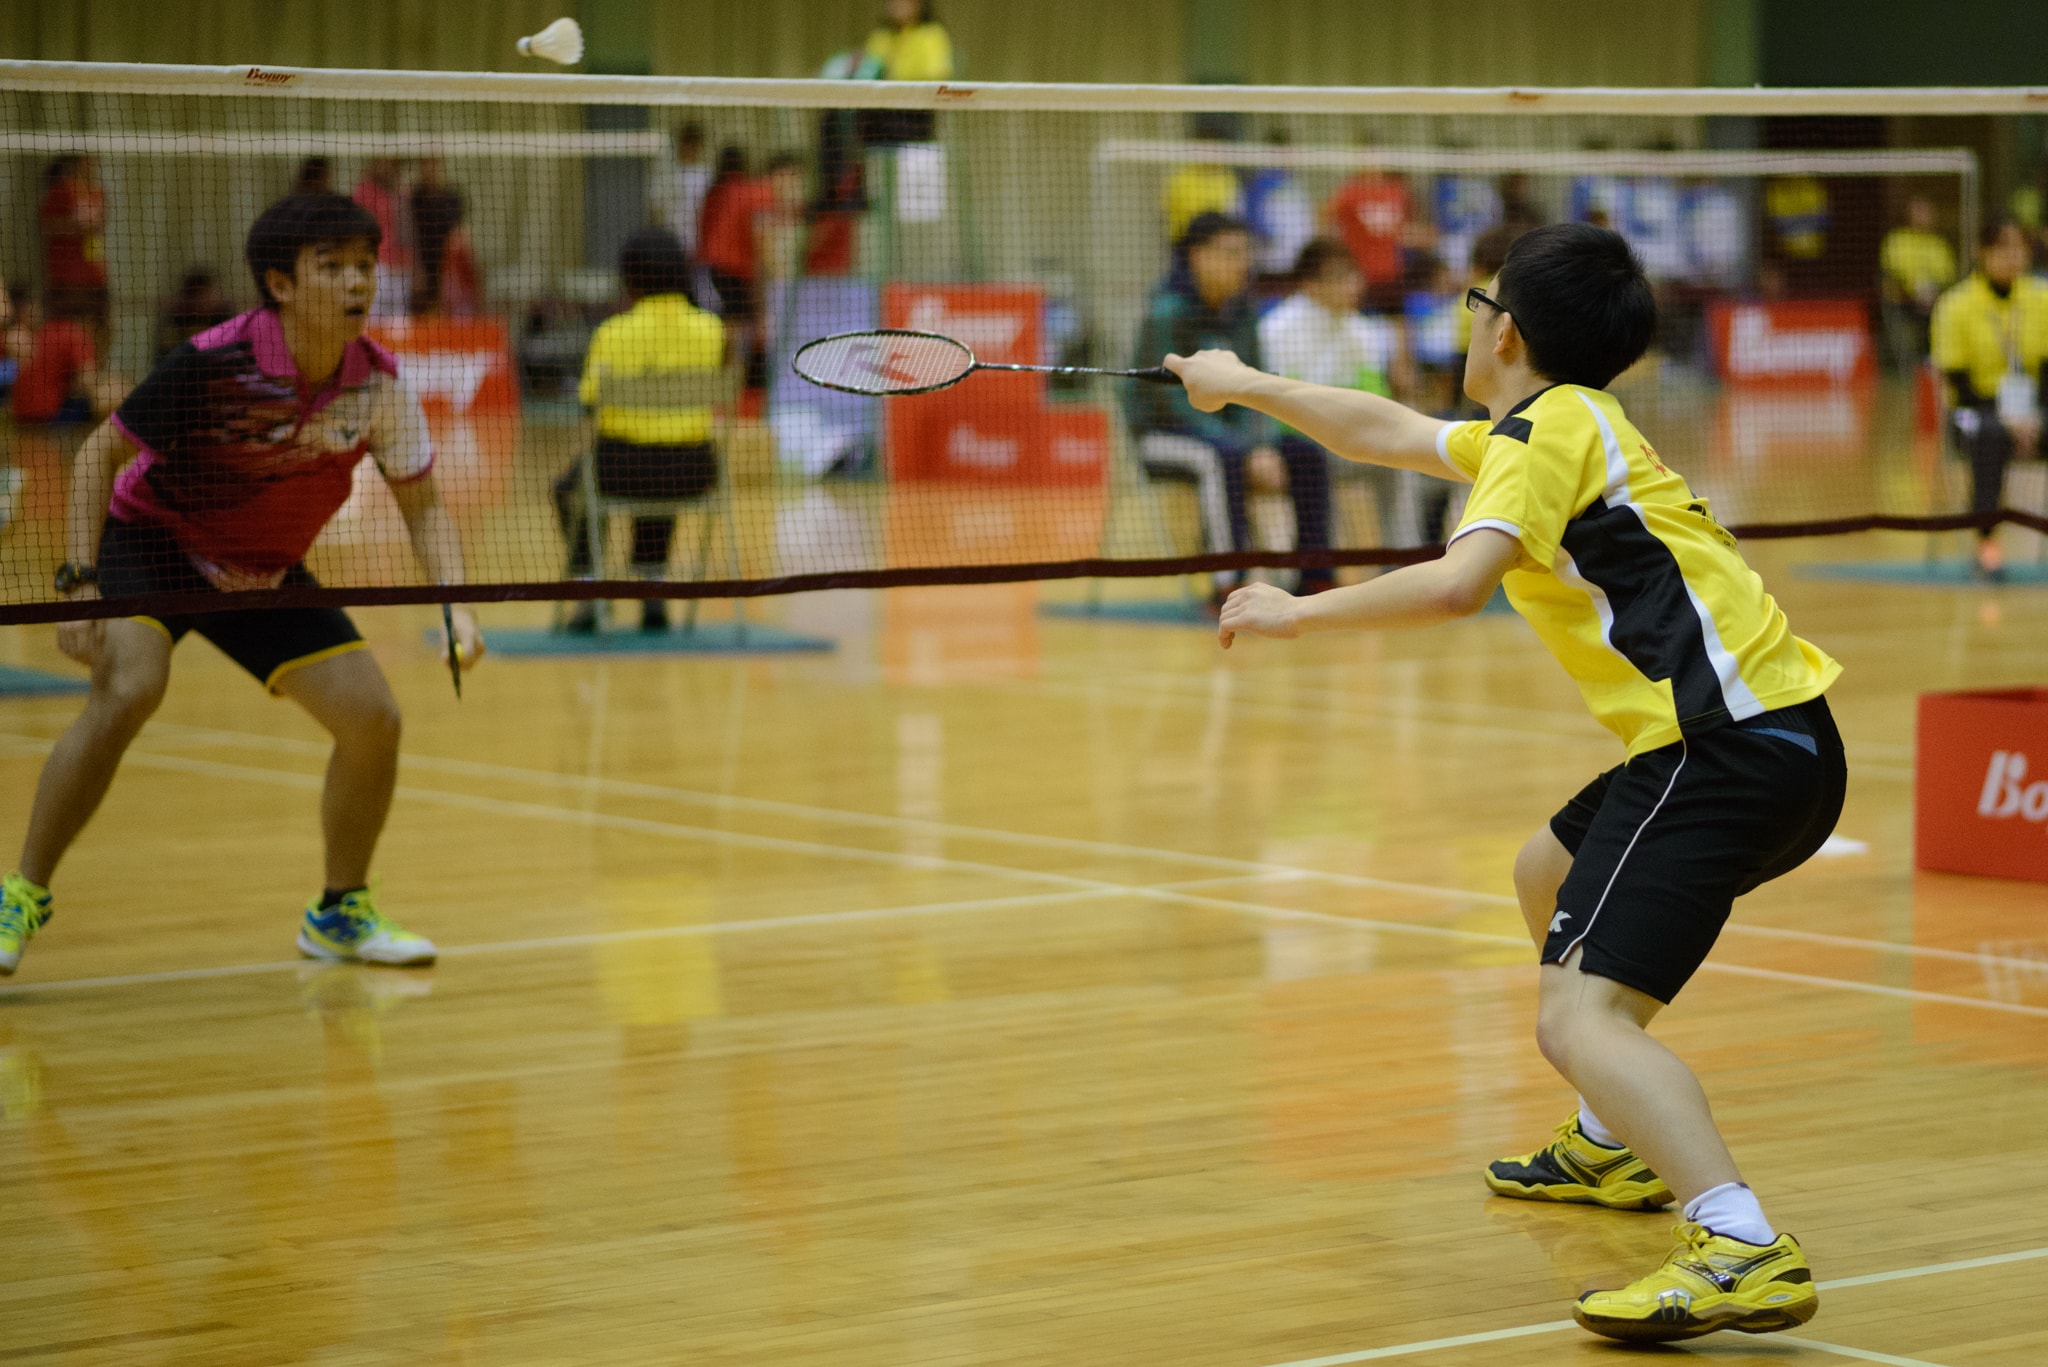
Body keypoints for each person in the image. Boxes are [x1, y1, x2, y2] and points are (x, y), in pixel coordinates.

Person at [1168, 221, 1843, 1344]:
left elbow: (1456, 584)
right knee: (1546, 867)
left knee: (1577, 1018)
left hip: (1722, 750)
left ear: (1505, 331)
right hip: (1770, 739)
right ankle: (1612, 1141)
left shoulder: (1542, 435)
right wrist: (1243, 384)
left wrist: (1297, 609)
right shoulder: (1565, 421)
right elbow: (1386, 429)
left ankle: (1737, 1240)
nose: (1465, 316)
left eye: (1476, 301)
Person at [0, 192, 487, 978]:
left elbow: (424, 508)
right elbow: (96, 456)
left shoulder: (379, 387)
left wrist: (455, 607)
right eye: (332, 267)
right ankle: (20, 894)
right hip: (156, 543)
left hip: (265, 568)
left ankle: (338, 912)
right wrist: (79, 583)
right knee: (129, 689)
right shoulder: (213, 362)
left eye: (365, 266)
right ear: (280, 284)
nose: (356, 282)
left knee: (373, 718)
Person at [555, 227, 726, 635]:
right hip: (692, 472)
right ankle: (652, 591)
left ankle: (591, 590)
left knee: (570, 489)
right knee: (662, 469)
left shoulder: (612, 333)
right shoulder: (711, 329)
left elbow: (589, 401)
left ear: (630, 278)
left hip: (620, 470)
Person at [1126, 213, 1278, 603]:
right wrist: (1242, 446)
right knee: (1219, 459)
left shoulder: (1243, 312)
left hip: (1233, 439)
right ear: (1198, 256)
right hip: (1161, 436)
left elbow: (1258, 387)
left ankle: (1315, 574)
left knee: (1302, 453)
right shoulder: (1166, 311)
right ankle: (1228, 584)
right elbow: (1172, 402)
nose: (1242, 263)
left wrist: (1261, 444)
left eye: (1246, 253)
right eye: (1231, 253)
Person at [1257, 238, 1400, 584]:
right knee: (1311, 460)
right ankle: (1318, 573)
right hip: (1296, 443)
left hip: (1352, 441)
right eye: (1339, 278)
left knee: (1403, 459)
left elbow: (1376, 396)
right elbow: (1283, 406)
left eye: (1354, 276)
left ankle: (1400, 560)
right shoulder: (1278, 329)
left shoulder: (1362, 329)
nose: (1352, 286)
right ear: (1310, 285)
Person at [1931, 219, 2048, 580]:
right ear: (1982, 252)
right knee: (1989, 434)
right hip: (1971, 411)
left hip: (2031, 412)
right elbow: (1957, 380)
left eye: (2019, 247)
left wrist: (2035, 416)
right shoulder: (1956, 304)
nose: (2013, 256)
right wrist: (2007, 418)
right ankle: (1987, 546)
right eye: (2003, 247)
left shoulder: (2041, 299)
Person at [697, 147, 774, 388]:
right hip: (730, 270)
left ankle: (730, 387)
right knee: (735, 329)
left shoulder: (719, 190)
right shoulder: (758, 191)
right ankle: (731, 390)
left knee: (731, 328)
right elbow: (760, 240)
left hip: (710, 268)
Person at [9, 296, 117, 426]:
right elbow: (88, 380)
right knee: (113, 400)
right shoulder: (77, 334)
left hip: (20, 414)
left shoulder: (45, 330)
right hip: (49, 415)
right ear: (89, 320)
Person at [37, 155, 109, 348]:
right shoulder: (61, 191)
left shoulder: (98, 193)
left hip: (94, 275)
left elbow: (101, 224)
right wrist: (77, 227)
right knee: (65, 329)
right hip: (66, 278)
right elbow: (44, 225)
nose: (92, 166)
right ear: (78, 164)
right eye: (87, 161)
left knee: (100, 328)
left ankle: (95, 362)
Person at [1881, 196, 1956, 371]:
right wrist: (1914, 292)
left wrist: (1934, 293)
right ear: (1909, 215)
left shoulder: (1939, 244)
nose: (1924, 217)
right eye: (1919, 212)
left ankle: (1935, 362)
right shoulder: (1897, 240)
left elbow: (1948, 276)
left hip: (1935, 302)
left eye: (1927, 213)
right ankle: (1910, 367)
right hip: (1903, 300)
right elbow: (1892, 272)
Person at [1325, 159, 1410, 313]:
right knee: (1353, 316)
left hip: (1390, 271)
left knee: (1396, 316)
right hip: (1359, 273)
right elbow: (1324, 217)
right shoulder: (1349, 193)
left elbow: (1402, 227)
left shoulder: (1396, 191)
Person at [1163, 112, 1244, 247]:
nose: (1210, 153)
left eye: (1215, 148)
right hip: (1184, 244)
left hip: (1217, 246)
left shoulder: (1228, 178)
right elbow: (1169, 212)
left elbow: (1233, 214)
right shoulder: (1181, 178)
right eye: (1206, 148)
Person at [350, 158, 411, 317]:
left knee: (400, 317)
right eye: (383, 162)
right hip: (377, 263)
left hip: (402, 265)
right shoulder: (365, 190)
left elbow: (409, 231)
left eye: (391, 163)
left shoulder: (402, 192)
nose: (387, 167)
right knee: (375, 313)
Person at [408, 157, 464, 316]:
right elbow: (410, 234)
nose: (429, 169)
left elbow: (457, 233)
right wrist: (416, 267)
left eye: (433, 164)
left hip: (446, 262)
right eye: (425, 164)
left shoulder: (452, 198)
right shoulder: (414, 198)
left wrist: (450, 269)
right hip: (422, 262)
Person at [649, 124, 712, 256]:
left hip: (700, 244)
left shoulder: (707, 174)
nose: (691, 148)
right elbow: (656, 209)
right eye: (687, 143)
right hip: (672, 242)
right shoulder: (668, 174)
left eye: (695, 144)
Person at [153, 267, 235, 361]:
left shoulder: (222, 316)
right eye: (198, 295)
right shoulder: (176, 319)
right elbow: (165, 353)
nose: (203, 300)